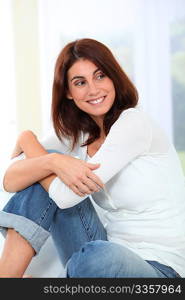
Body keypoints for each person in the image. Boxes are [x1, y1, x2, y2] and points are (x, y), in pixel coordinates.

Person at [0, 38, 185, 278]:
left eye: (100, 76)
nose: (93, 90)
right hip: (102, 251)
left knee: (100, 257)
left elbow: (65, 198)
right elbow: (10, 179)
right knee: (42, 168)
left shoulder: (134, 123)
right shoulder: (79, 133)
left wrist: (46, 158)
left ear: (113, 78)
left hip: (160, 269)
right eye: (80, 82)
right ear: (68, 91)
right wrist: (44, 154)